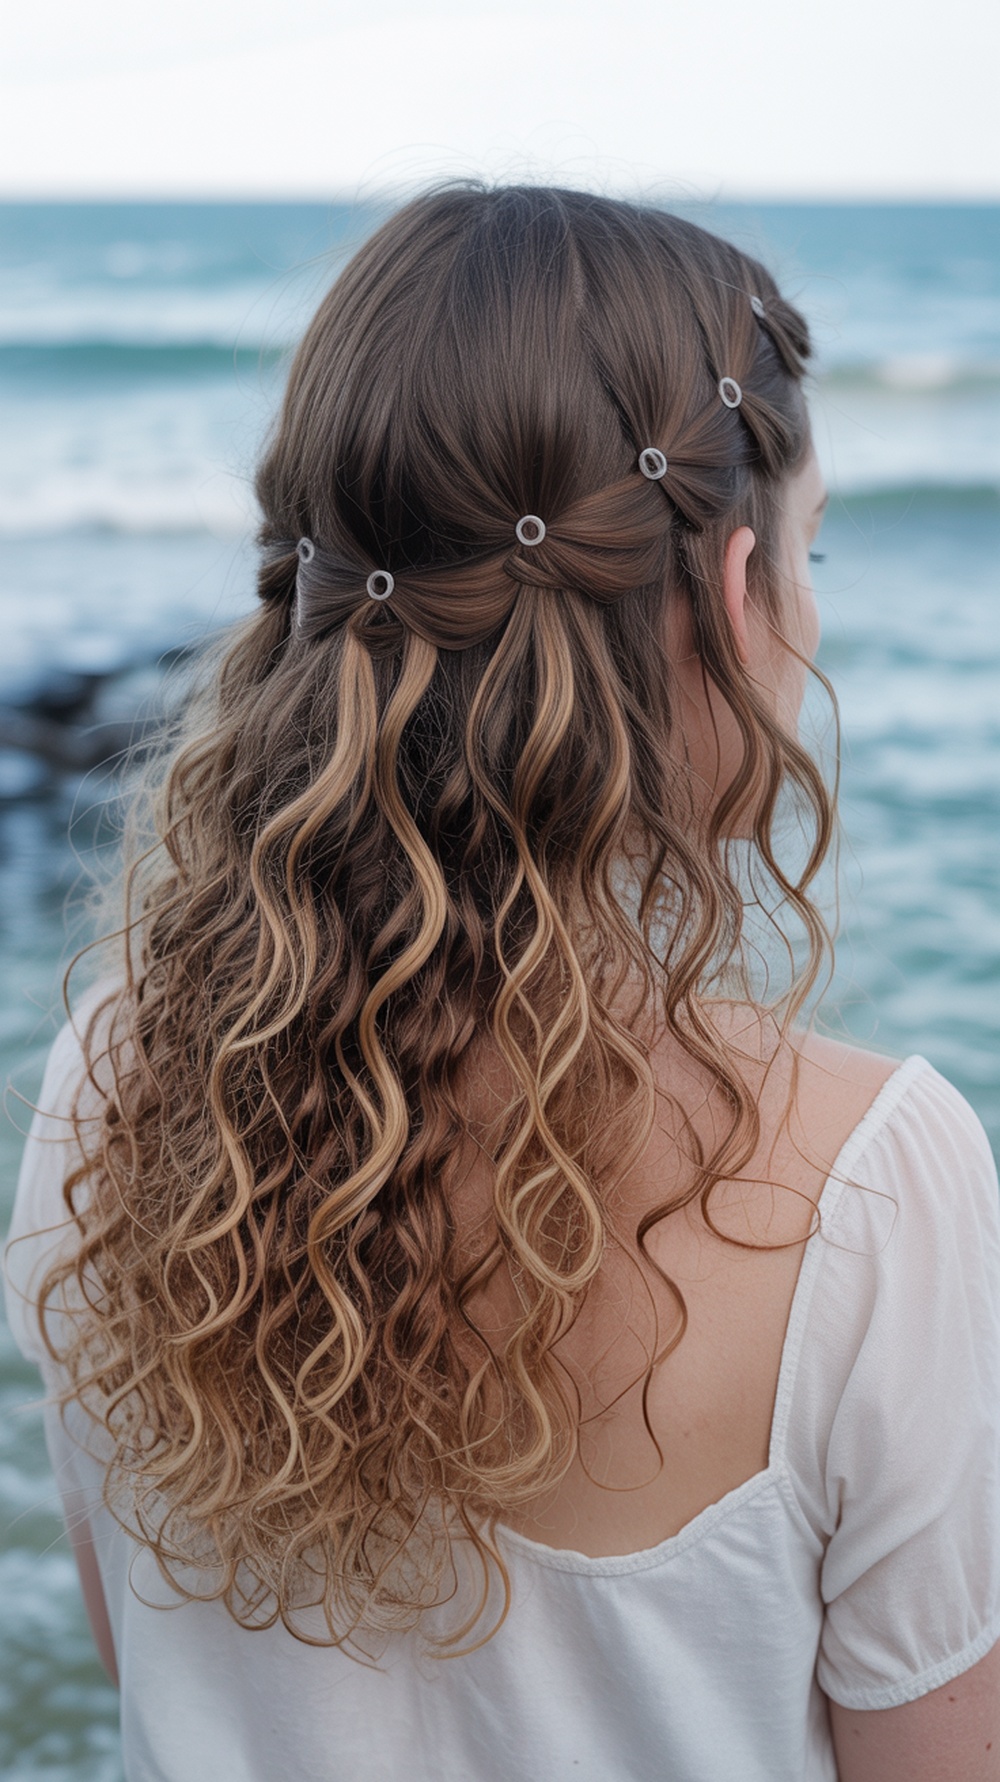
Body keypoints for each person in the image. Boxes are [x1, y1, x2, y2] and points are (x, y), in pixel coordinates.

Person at [5, 184, 1000, 1782]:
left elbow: (140, 1642)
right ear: (734, 595)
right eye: (814, 554)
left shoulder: (113, 1076)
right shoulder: (870, 1186)